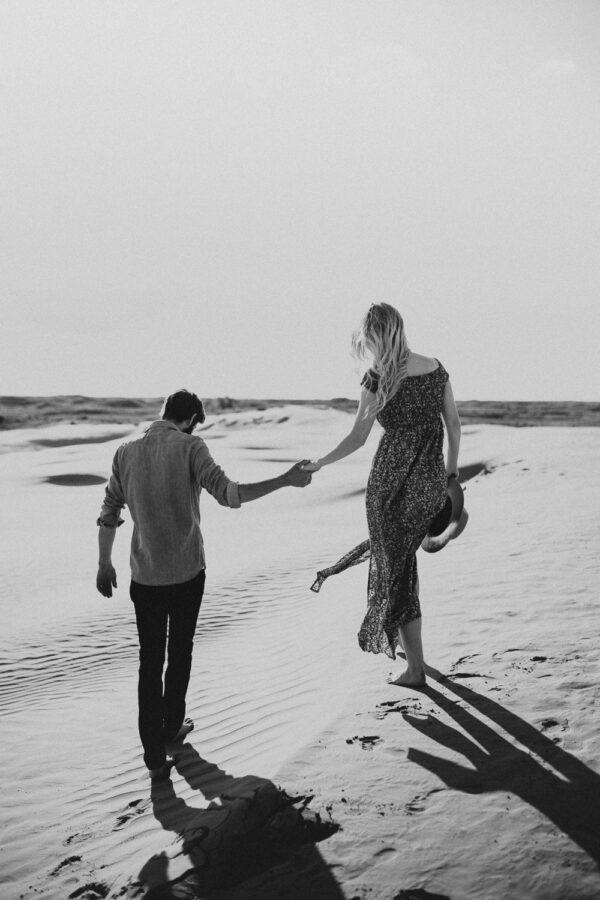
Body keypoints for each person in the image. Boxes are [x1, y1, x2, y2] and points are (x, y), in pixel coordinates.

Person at [96, 389, 312, 780]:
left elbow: (110, 509)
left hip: (144, 577)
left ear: (164, 412)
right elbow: (230, 495)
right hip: (186, 574)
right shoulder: (191, 448)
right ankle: (171, 727)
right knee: (179, 652)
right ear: (192, 418)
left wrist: (103, 562)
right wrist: (284, 479)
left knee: (149, 661)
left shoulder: (125, 452)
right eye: (196, 423)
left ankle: (153, 754)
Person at [303, 303, 461, 687]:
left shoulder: (378, 378)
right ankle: (414, 650)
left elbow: (358, 437)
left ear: (375, 336)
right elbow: (454, 426)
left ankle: (415, 671)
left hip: (388, 490)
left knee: (398, 572)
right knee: (404, 566)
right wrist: (450, 476)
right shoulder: (436, 369)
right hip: (429, 486)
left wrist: (321, 462)